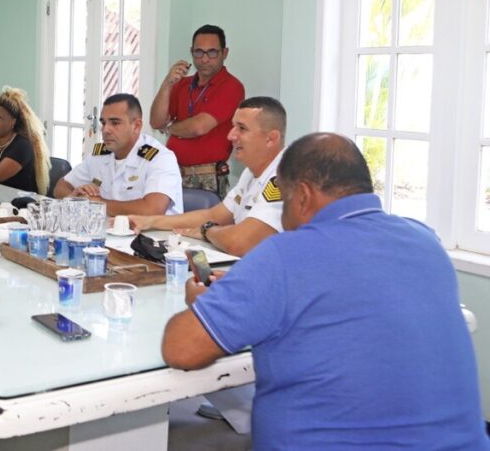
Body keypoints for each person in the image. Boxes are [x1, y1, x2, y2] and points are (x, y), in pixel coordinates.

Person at [161, 133, 490, 451]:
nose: (284, 215)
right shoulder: (425, 241)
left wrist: (199, 303)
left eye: (285, 200)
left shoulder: (283, 255)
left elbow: (181, 349)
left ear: (302, 195)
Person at [130, 97, 285, 257]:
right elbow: (213, 215)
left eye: (242, 128)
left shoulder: (285, 178)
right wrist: (148, 221)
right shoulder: (251, 173)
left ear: (271, 139)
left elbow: (238, 243)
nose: (231, 135)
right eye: (233, 127)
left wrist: (207, 230)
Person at [149, 24, 245, 198]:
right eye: (199, 52)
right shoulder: (182, 84)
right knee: (165, 224)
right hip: (173, 172)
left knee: (201, 225)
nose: (205, 59)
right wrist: (167, 83)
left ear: (225, 53)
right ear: (191, 52)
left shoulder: (231, 86)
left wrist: (169, 127)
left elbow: (198, 127)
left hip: (206, 177)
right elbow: (156, 121)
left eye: (212, 52)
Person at [53, 94, 182, 217]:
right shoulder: (100, 155)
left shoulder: (160, 158)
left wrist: (96, 203)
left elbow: (153, 210)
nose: (106, 130)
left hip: (152, 237)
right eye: (103, 123)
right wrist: (76, 197)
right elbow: (60, 187)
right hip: (110, 233)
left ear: (136, 126)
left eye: (115, 123)